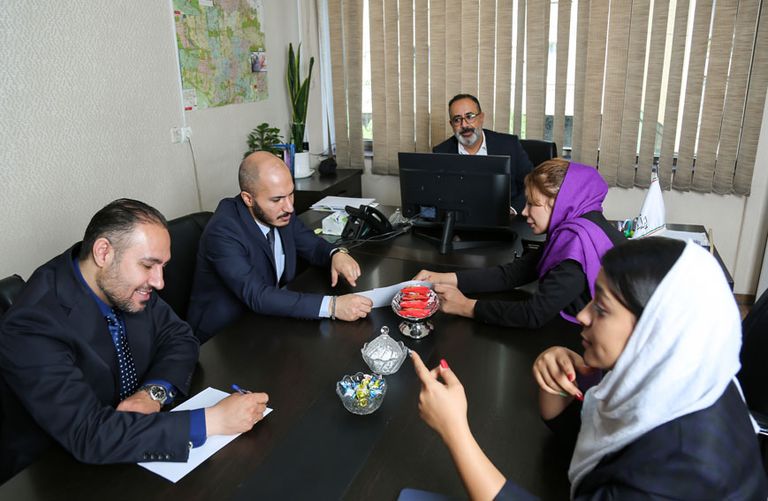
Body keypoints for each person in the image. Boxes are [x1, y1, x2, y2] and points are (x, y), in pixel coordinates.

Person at [412, 237, 768, 499]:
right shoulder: (675, 380)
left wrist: (454, 430)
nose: (583, 315)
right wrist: (555, 383)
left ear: (655, 329)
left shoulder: (679, 469)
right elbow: (581, 436)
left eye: (602, 307)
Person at [0, 199, 269, 482]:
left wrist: (153, 393)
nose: (159, 282)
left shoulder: (122, 283)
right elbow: (88, 434)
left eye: (162, 266)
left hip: (131, 446)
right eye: (148, 265)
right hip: (58, 472)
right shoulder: (32, 323)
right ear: (103, 252)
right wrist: (212, 421)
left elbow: (180, 337)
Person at [415, 159, 624, 329]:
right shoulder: (578, 228)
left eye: (532, 204)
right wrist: (443, 278)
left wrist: (464, 306)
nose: (524, 212)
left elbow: (534, 314)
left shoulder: (577, 242)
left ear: (559, 203)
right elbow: (513, 274)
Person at [188, 151, 373, 343]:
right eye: (277, 199)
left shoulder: (279, 213)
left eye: (291, 194)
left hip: (267, 319)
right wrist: (332, 306)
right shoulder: (223, 231)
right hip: (224, 338)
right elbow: (257, 295)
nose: (289, 208)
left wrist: (335, 254)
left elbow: (310, 243)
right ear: (248, 199)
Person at [432, 93, 534, 212]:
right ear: (451, 124)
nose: (464, 125)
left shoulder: (509, 145)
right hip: (461, 219)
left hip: (506, 217)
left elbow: (532, 183)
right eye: (457, 120)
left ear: (481, 118)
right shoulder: (441, 153)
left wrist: (512, 210)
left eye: (470, 116)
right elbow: (437, 196)